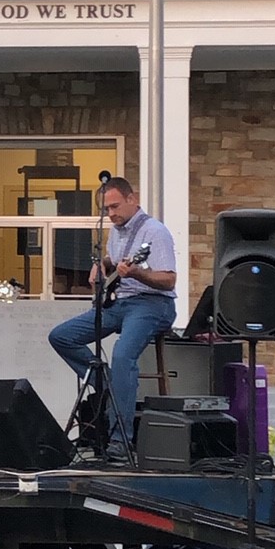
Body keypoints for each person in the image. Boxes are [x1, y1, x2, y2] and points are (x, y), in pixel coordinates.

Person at [48, 177, 177, 462]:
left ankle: (121, 440)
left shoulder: (155, 232)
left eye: (115, 206)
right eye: (106, 209)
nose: (111, 214)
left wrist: (138, 273)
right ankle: (106, 382)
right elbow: (111, 259)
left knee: (123, 356)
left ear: (133, 199)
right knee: (61, 336)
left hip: (152, 304)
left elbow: (168, 280)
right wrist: (101, 265)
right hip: (118, 303)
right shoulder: (118, 231)